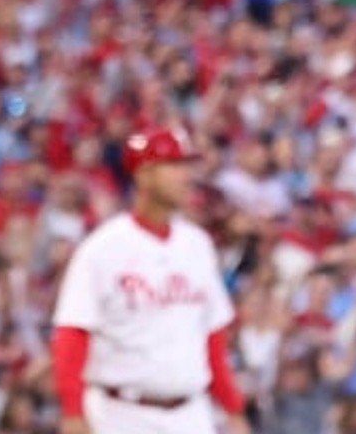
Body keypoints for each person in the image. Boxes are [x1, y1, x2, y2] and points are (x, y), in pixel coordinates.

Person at [52, 128, 244, 434]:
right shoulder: (102, 249)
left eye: (187, 166)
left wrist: (233, 409)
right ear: (144, 176)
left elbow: (213, 337)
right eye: (175, 166)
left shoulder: (198, 245)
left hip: (191, 414)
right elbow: (72, 335)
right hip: (120, 414)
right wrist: (73, 413)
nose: (186, 176)